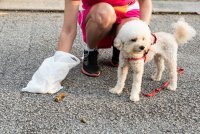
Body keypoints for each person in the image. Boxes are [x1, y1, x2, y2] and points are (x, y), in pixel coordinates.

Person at [57, 0, 152, 77]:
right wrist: (57, 65)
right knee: (104, 13)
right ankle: (90, 50)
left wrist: (144, 33)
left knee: (134, 30)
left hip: (127, 10)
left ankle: (119, 46)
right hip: (98, 12)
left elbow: (144, 1)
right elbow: (68, 30)